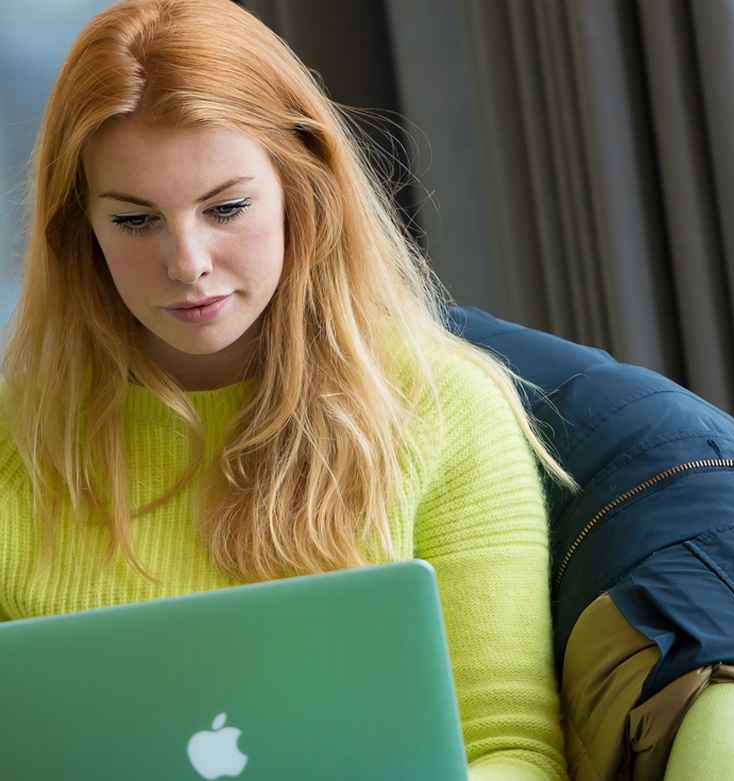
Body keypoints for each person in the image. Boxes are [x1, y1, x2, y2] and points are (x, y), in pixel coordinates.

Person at [0, 1, 569, 779]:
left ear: (304, 188)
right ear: (80, 231)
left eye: (226, 208)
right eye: (135, 221)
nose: (188, 261)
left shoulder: (447, 411)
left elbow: (511, 750)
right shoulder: (14, 445)